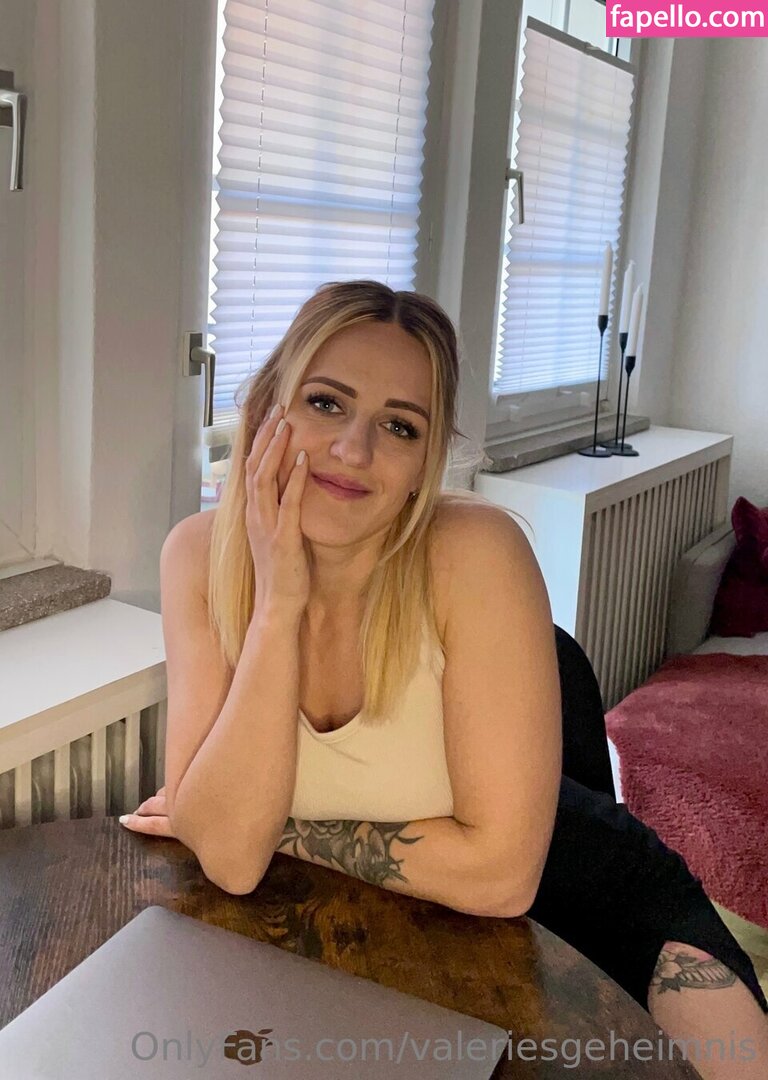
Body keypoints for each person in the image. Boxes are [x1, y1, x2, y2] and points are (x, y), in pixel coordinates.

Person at [119, 280, 768, 1078]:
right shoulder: (199, 557)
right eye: (326, 403)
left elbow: (502, 876)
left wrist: (279, 829)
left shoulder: (476, 553)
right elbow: (228, 860)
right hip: (398, 940)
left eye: (399, 426)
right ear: (267, 408)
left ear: (426, 461)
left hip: (590, 896)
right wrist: (278, 605)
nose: (354, 450)